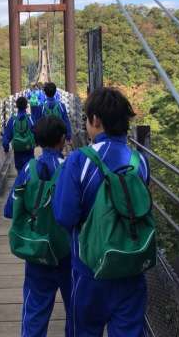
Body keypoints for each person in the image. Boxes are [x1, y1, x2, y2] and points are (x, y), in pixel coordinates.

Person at [53, 87, 150, 337]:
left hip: (90, 271)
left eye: (86, 119)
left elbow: (64, 216)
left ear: (95, 120)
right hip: (132, 268)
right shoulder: (139, 161)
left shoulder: (78, 160)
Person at [4, 116, 71, 337]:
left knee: (35, 310)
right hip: (68, 251)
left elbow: (9, 210)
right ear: (63, 139)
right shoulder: (71, 168)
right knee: (76, 310)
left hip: (37, 250)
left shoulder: (28, 169)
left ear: (37, 140)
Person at [2, 96, 35, 173]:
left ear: (16, 106)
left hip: (18, 151)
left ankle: (20, 179)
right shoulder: (30, 119)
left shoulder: (12, 120)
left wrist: (6, 148)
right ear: (26, 106)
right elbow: (36, 133)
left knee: (20, 170)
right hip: (29, 149)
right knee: (30, 169)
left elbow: (6, 138)